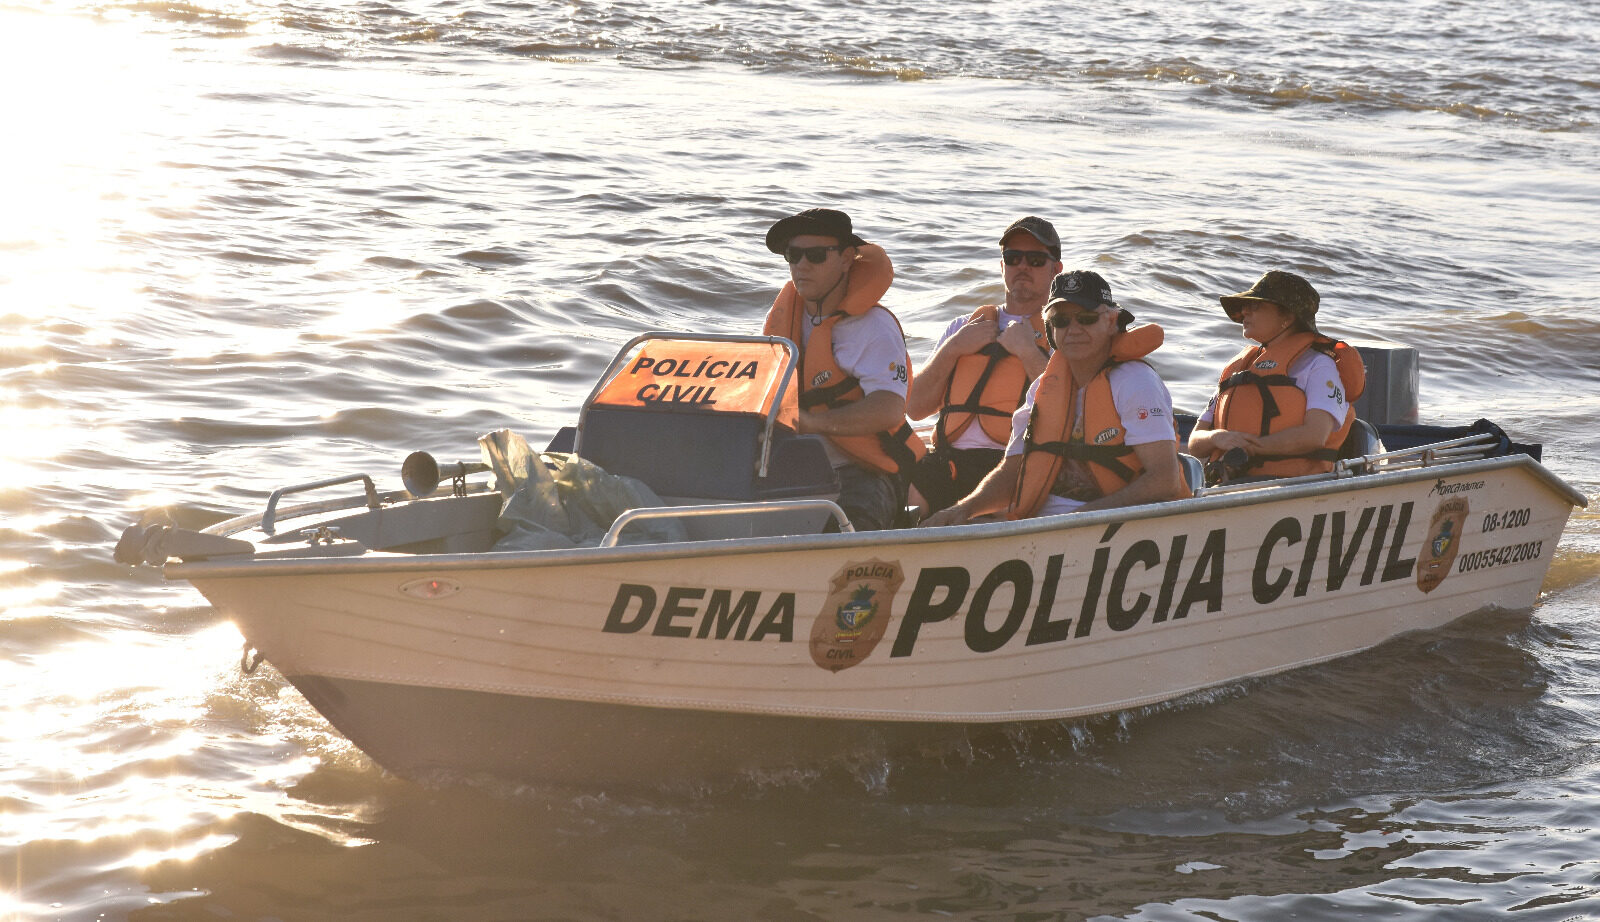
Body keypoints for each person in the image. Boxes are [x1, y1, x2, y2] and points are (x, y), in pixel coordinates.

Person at [921, 270, 1186, 526]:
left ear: (1111, 322)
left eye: (1086, 318)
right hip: (1041, 527)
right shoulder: (1041, 389)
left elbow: (1164, 479)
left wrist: (1080, 519)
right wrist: (963, 510)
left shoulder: (1134, 382)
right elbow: (1010, 472)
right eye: (1061, 321)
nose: (1074, 329)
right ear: (1051, 331)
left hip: (1107, 527)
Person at [761, 208, 925, 531]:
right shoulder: (783, 320)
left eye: (816, 255)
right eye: (794, 255)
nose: (802, 265)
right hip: (790, 464)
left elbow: (890, 409)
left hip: (863, 472)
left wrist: (812, 422)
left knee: (847, 533)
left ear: (847, 259)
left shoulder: (875, 327)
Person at [904, 216, 1062, 514]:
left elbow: (1070, 410)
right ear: (1002, 266)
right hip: (947, 461)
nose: (1023, 267)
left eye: (1037, 260)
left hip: (1013, 463)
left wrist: (1029, 352)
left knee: (994, 511)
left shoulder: (1064, 332)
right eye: (1013, 258)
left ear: (1056, 269)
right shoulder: (963, 327)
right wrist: (952, 350)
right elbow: (915, 408)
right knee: (906, 494)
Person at [1187, 270, 1364, 483]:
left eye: (1255, 306)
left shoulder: (1319, 365)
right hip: (1226, 485)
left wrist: (1249, 447)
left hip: (1293, 486)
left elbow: (1314, 435)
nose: (1244, 311)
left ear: (1288, 317)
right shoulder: (1237, 368)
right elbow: (1195, 442)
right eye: (1245, 306)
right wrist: (1217, 437)